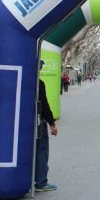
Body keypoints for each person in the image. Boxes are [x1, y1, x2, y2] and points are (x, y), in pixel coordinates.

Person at [35, 61, 59, 192]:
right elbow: (44, 105)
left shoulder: (22, 82)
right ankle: (41, 182)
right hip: (38, 124)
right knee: (41, 151)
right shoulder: (39, 84)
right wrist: (52, 124)